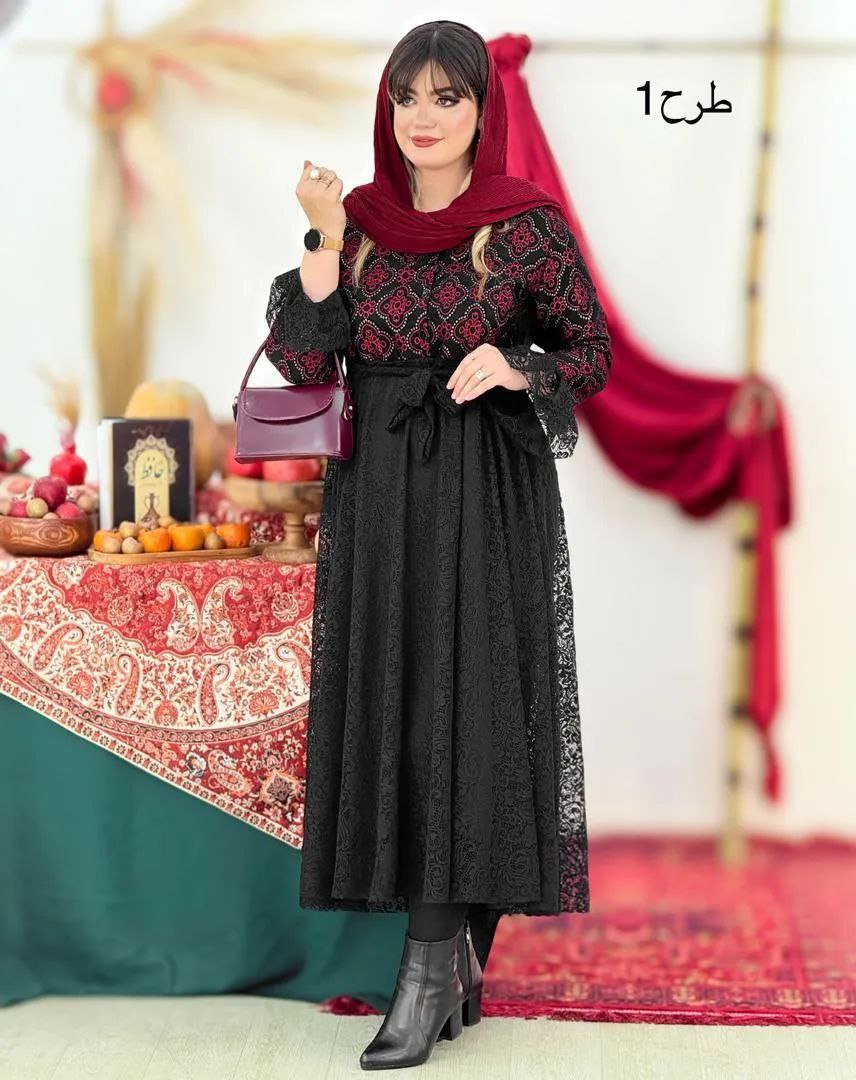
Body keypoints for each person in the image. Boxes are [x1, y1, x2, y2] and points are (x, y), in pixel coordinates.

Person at [263, 20, 612, 1070]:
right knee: (400, 710)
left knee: (466, 709)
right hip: (377, 499)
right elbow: (302, 365)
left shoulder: (522, 224)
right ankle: (449, 959)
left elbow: (588, 352)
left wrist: (514, 365)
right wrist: (320, 237)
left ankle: (427, 972)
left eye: (446, 98)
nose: (422, 117)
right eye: (405, 97)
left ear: (479, 110)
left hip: (483, 495)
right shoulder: (357, 224)